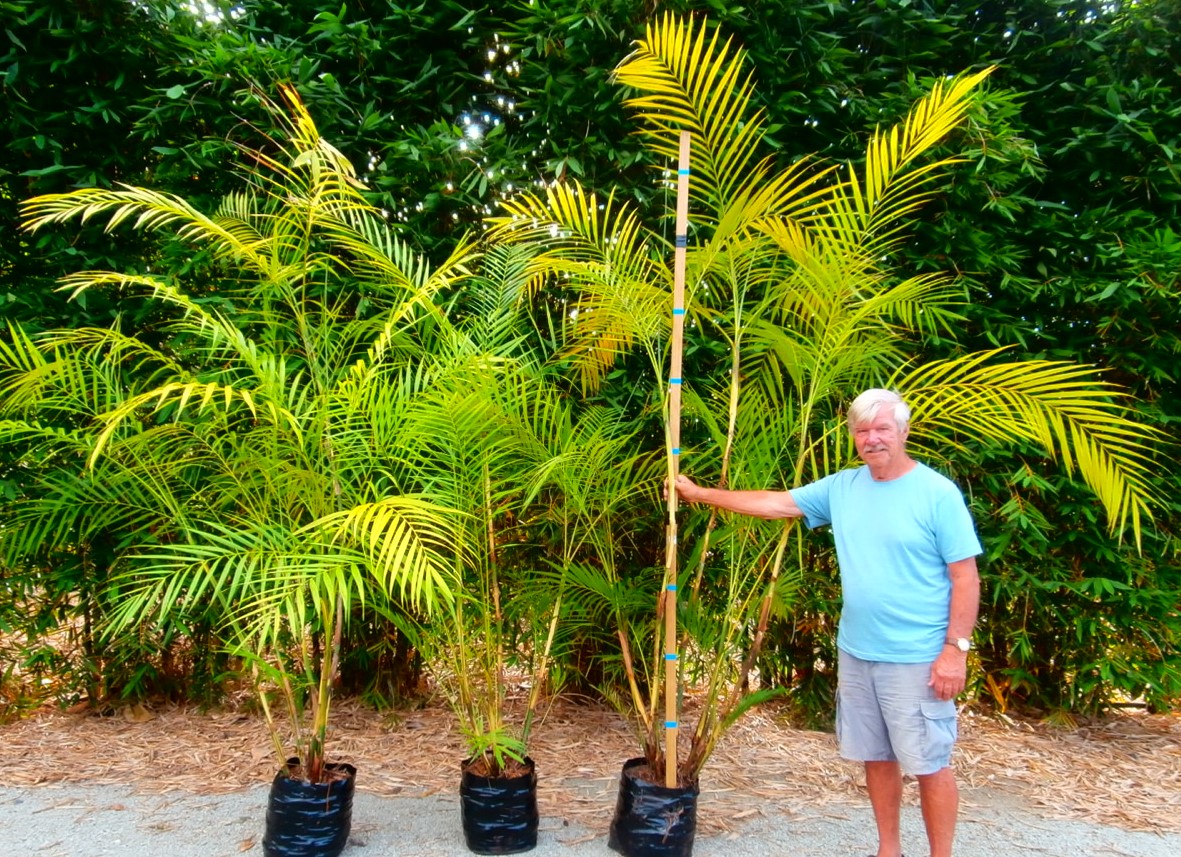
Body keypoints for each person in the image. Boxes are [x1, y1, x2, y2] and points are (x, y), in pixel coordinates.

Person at [675, 388, 981, 857]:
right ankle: (888, 849)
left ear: (903, 432)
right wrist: (698, 494)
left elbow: (965, 577)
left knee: (929, 763)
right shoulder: (843, 487)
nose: (872, 439)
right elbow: (778, 504)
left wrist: (954, 651)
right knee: (876, 757)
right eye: (863, 431)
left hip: (917, 657)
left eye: (882, 429)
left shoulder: (937, 493)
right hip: (858, 652)